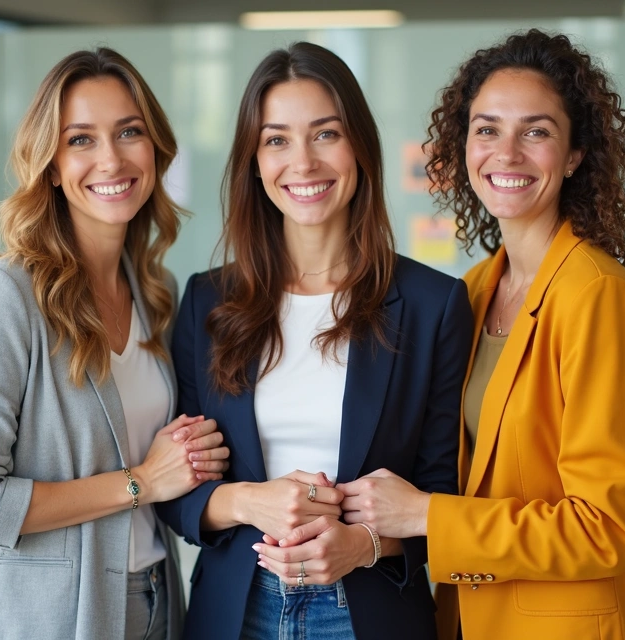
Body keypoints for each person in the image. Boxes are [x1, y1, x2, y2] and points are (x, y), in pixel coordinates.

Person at [324, 30, 625, 640]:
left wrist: (427, 515)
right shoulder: (475, 290)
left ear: (575, 154)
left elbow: (604, 530)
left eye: (536, 131)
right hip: (469, 618)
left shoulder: (596, 297)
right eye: (486, 129)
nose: (506, 153)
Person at [155, 42, 471, 640]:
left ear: (360, 148)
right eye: (276, 139)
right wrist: (251, 502)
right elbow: (178, 490)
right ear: (254, 161)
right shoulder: (208, 301)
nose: (302, 162)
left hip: (371, 613)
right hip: (235, 612)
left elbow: (442, 497)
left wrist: (363, 545)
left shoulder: (434, 304)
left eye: (325, 134)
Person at [0, 48, 230, 640]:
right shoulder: (6, 297)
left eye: (129, 132)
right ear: (49, 164)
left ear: (156, 149)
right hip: (49, 615)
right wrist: (142, 480)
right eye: (81, 140)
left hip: (156, 596)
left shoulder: (154, 290)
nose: (111, 158)